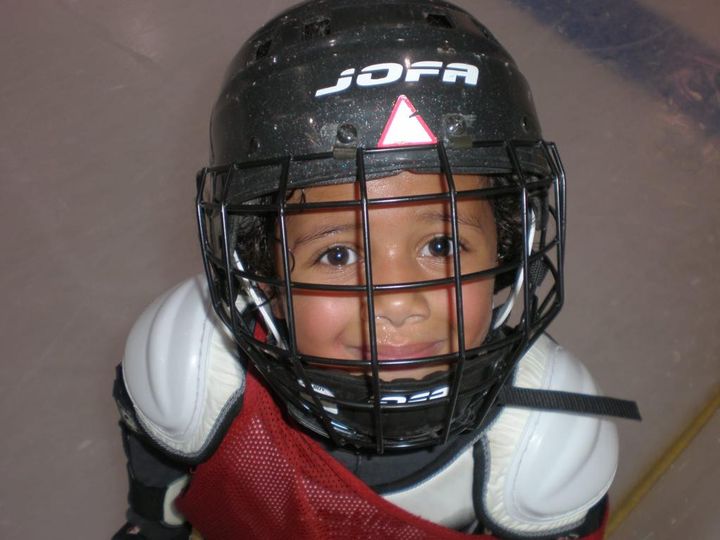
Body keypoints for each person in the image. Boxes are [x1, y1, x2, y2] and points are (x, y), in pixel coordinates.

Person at [113, 1, 640, 538]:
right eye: (337, 255)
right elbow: (157, 510)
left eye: (441, 244)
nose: (398, 303)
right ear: (260, 270)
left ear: (505, 247)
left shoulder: (543, 443)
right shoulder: (197, 372)